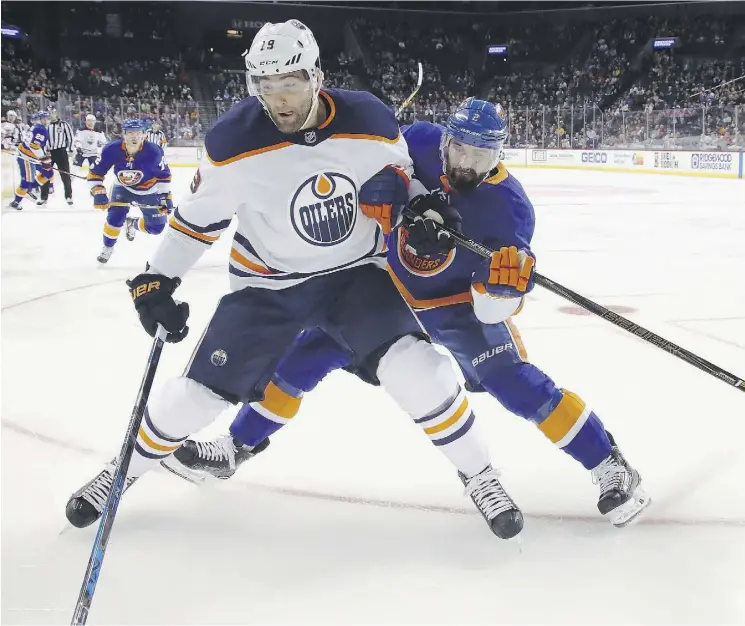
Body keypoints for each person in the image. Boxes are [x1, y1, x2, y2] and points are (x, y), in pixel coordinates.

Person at [65, 21, 523, 541]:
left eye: (291, 84)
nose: (279, 100)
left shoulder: (369, 118)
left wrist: (423, 208)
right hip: (269, 283)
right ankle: (118, 474)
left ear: (317, 77)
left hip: (357, 277)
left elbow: (403, 178)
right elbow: (196, 221)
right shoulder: (233, 142)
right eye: (266, 85)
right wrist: (157, 280)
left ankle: (481, 477)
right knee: (195, 397)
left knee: (418, 371)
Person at [166, 98, 651, 529]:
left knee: (516, 384)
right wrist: (392, 183)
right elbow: (374, 163)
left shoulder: (510, 210)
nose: (465, 163)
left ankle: (607, 462)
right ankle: (236, 447)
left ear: (499, 154)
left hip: (455, 305)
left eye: (480, 156)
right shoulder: (419, 140)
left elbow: (493, 306)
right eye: (459, 149)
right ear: (446, 139)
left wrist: (501, 289)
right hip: (387, 288)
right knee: (303, 358)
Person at [87, 117, 173, 264]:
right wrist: (98, 191)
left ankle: (132, 223)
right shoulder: (111, 149)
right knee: (114, 218)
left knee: (156, 228)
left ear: (144, 135)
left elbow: (164, 176)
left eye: (138, 132)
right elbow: (95, 173)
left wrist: (165, 198)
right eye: (130, 132)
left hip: (148, 189)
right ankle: (108, 247)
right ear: (124, 134)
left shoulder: (154, 151)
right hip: (123, 188)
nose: (135, 136)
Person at [9, 112, 52, 210]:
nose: (46, 120)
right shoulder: (40, 129)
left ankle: (29, 189)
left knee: (49, 173)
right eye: (43, 118)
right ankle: (16, 202)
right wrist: (44, 160)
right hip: (26, 157)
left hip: (33, 157)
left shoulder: (38, 127)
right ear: (39, 119)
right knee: (27, 181)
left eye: (47, 118)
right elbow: (34, 146)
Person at [40, 109, 75, 206]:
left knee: (65, 175)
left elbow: (70, 137)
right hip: (47, 153)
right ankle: (43, 197)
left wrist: (71, 150)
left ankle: (68, 196)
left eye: (53, 112)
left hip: (61, 152)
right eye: (49, 113)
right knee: (45, 175)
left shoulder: (64, 124)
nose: (51, 115)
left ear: (56, 113)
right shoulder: (45, 126)